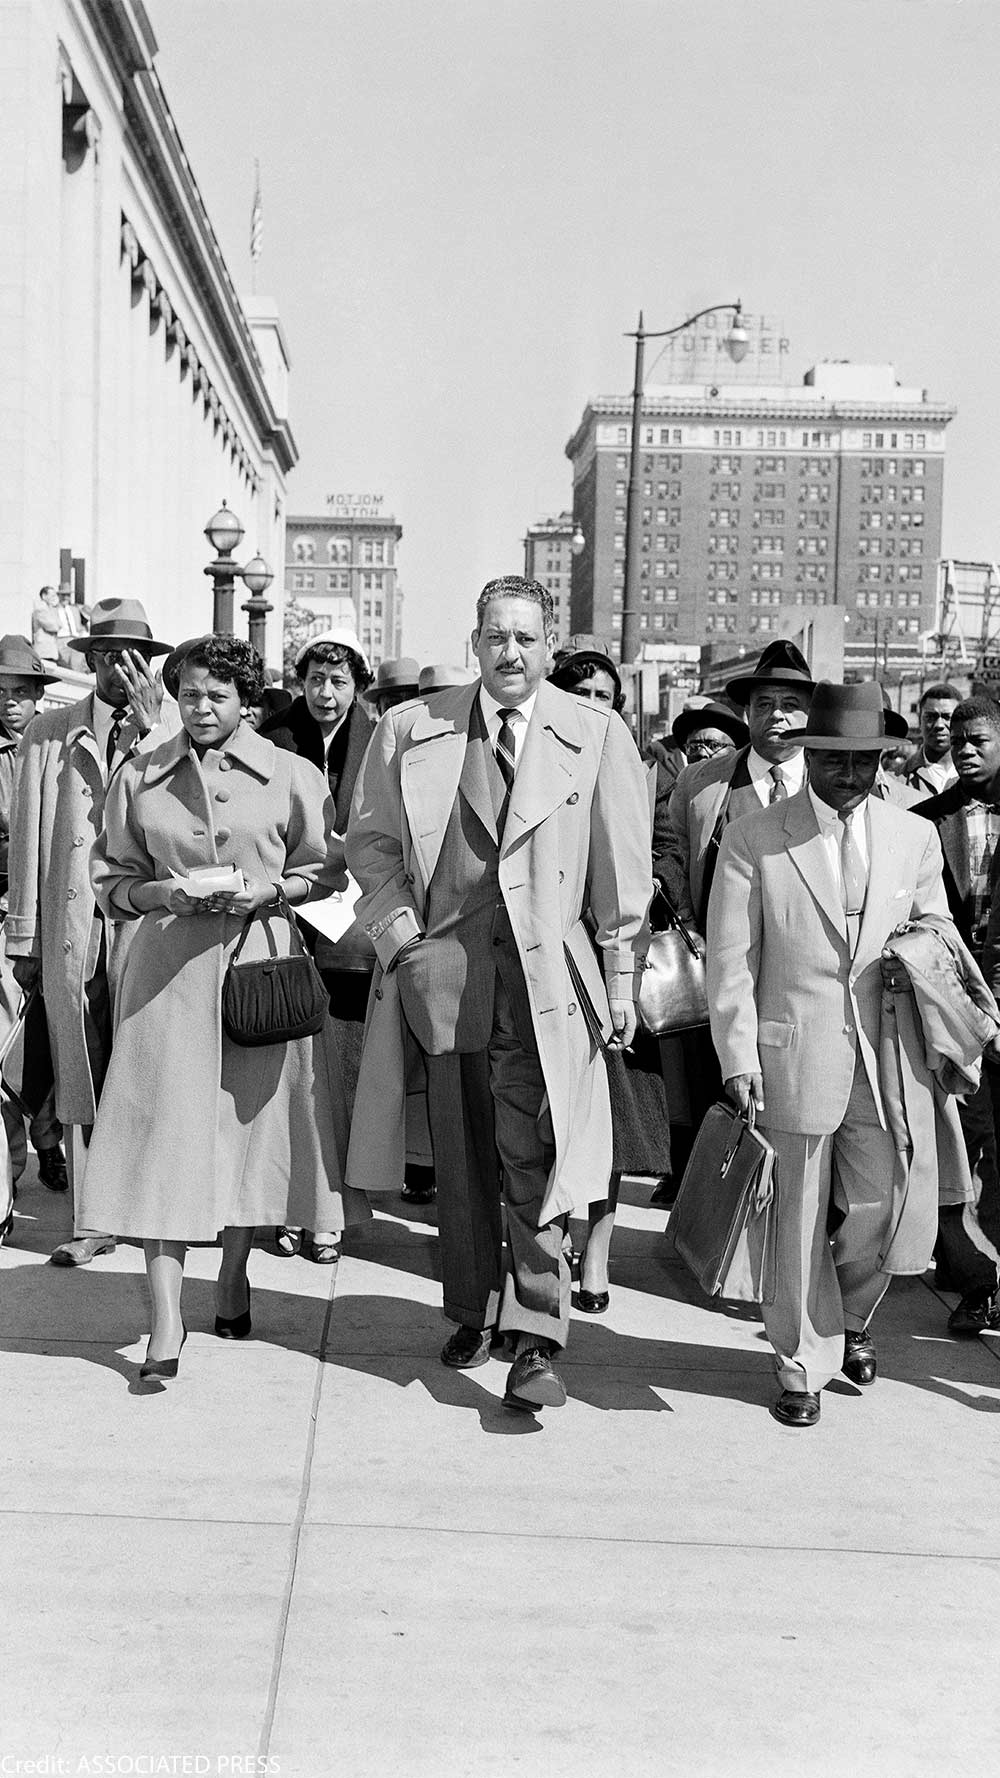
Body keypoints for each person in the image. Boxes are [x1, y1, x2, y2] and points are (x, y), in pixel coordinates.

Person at [346, 574, 652, 1412]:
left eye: (525, 637)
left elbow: (625, 874)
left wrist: (620, 979)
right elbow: (368, 848)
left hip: (547, 983)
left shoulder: (594, 733)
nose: (509, 652)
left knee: (535, 1155)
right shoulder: (413, 727)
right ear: (472, 641)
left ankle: (535, 1334)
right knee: (461, 1153)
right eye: (495, 636)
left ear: (547, 645)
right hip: (443, 977)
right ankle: (472, 1309)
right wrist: (403, 941)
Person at [78, 634, 366, 1380]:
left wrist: (272, 890)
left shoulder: (292, 775)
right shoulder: (139, 776)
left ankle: (233, 1274)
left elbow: (325, 873)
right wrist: (161, 893)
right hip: (164, 980)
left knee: (249, 1138)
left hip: (258, 969)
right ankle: (165, 1323)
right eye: (191, 694)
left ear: (246, 700)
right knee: (159, 1145)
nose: (202, 709)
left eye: (218, 696)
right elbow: (112, 879)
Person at [708, 681, 955, 1426]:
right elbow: (731, 959)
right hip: (791, 1054)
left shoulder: (913, 835)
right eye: (836, 761)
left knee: (883, 1208)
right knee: (798, 1215)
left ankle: (849, 1316)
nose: (851, 777)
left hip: (887, 1059)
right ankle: (800, 1363)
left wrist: (922, 958)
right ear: (809, 754)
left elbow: (940, 932)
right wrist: (739, 1057)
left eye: (866, 762)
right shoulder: (755, 835)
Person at [6, 598, 172, 1265]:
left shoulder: (169, 731)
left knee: (144, 1069)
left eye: (130, 655)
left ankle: (146, 1203)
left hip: (143, 926)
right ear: (89, 661)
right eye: (105, 655)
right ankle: (90, 1219)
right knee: (77, 1066)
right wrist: (24, 935)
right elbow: (25, 842)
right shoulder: (50, 732)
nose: (117, 668)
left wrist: (158, 729)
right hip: (72, 926)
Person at [548, 641, 671, 1311]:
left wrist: (650, 883)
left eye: (606, 698)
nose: (595, 709)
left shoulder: (635, 763)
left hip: (618, 965)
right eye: (581, 695)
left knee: (611, 1125)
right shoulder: (536, 759)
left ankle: (595, 1255)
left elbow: (667, 846)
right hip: (552, 962)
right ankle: (551, 1243)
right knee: (549, 1119)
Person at [259, 630, 375, 1259]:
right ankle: (282, 1200)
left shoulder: (383, 738)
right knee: (280, 1073)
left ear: (358, 686)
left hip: (353, 929)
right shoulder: (272, 738)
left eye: (339, 682)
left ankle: (327, 1210)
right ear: (299, 682)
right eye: (315, 681)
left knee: (342, 1074)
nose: (326, 694)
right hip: (284, 919)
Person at [914, 696, 1000, 1334]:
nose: (965, 750)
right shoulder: (923, 824)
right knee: (949, 1151)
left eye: (980, 740)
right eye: (959, 741)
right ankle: (974, 1279)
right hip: (953, 1012)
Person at [0, 636, 66, 1195]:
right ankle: (11, 1174)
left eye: (21, 692)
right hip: (4, 910)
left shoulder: (58, 744)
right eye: (0, 692)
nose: (10, 703)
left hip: (55, 913)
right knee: (5, 1049)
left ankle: (48, 1138)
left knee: (45, 1040)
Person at [904, 683, 961, 797]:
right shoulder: (898, 779)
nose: (939, 725)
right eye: (930, 717)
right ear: (920, 721)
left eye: (947, 717)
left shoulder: (977, 776)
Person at [670, 700, 749, 766]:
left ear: (737, 751)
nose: (701, 753)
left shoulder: (753, 783)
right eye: (694, 747)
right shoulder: (680, 783)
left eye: (714, 745)